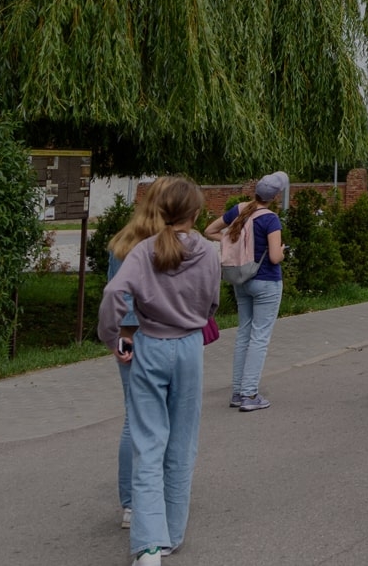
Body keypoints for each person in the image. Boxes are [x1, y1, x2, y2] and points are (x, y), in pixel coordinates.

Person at [98, 177, 220, 566]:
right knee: (182, 442)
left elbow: (113, 294)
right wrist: (197, 318)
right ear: (196, 213)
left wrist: (110, 335)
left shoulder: (142, 252)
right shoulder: (209, 252)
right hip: (188, 347)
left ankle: (149, 545)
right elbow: (214, 303)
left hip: (150, 345)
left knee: (148, 442)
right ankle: (172, 532)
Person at [106, 178, 175, 532]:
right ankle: (148, 496)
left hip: (125, 338)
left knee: (135, 420)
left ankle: (131, 503)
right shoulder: (163, 245)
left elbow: (116, 296)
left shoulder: (121, 242)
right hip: (157, 338)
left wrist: (123, 334)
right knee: (161, 418)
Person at [204, 172, 287, 412]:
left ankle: (238, 392)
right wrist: (282, 250)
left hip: (241, 279)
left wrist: (231, 242)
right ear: (275, 196)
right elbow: (274, 257)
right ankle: (250, 394)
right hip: (266, 283)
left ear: (256, 192)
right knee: (260, 337)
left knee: (244, 335)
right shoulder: (271, 219)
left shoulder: (239, 209)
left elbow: (210, 230)